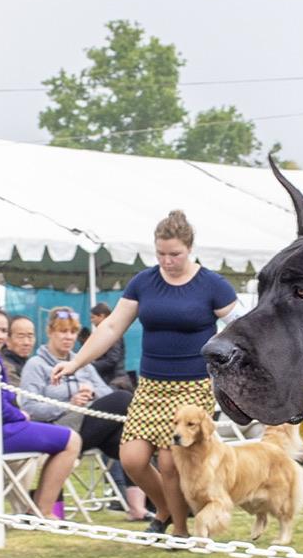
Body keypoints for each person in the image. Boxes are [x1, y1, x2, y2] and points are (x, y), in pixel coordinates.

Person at [51, 212, 237, 537]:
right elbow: (111, 326)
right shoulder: (144, 282)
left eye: (175, 254)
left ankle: (179, 530)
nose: (167, 261)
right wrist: (76, 362)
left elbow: (241, 326)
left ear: (189, 249)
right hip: (151, 386)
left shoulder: (212, 285)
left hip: (193, 387)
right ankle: (165, 508)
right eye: (161, 253)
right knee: (132, 459)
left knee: (169, 462)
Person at [0, 307, 80, 515]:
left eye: (4, 331)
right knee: (72, 441)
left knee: (66, 439)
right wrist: (21, 415)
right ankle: (43, 511)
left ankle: (38, 509)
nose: (0, 336)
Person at [21, 304, 144, 519]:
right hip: (59, 427)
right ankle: (46, 503)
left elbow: (105, 393)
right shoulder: (36, 365)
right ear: (50, 332)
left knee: (129, 441)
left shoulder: (82, 362)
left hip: (89, 426)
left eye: (72, 332)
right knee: (123, 399)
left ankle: (139, 508)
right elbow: (30, 407)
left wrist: (91, 393)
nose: (68, 337)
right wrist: (69, 403)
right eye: (62, 331)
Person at [84, 302, 132, 392]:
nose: (91, 320)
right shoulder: (105, 333)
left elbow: (112, 359)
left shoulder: (112, 334)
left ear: (102, 316)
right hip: (109, 380)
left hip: (116, 382)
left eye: (93, 317)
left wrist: (91, 366)